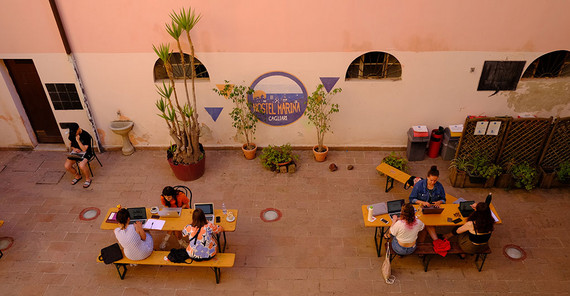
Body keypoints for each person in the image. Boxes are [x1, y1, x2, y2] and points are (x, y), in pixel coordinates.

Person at [409, 165, 446, 241]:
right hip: (420, 209)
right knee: (427, 225)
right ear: (427, 177)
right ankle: (436, 241)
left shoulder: (439, 186)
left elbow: (444, 199)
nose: (433, 182)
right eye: (431, 180)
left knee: (426, 225)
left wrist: (439, 202)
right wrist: (422, 202)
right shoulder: (419, 185)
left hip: (433, 209)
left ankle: (423, 243)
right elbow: (411, 199)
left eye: (435, 180)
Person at [63, 123, 94, 188]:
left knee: (81, 165)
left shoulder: (85, 135)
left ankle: (88, 179)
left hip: (86, 152)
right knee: (67, 166)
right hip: (76, 152)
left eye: (75, 132)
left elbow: (84, 149)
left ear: (79, 129)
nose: (75, 134)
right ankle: (77, 176)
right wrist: (74, 148)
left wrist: (78, 140)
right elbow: (71, 144)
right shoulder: (72, 134)